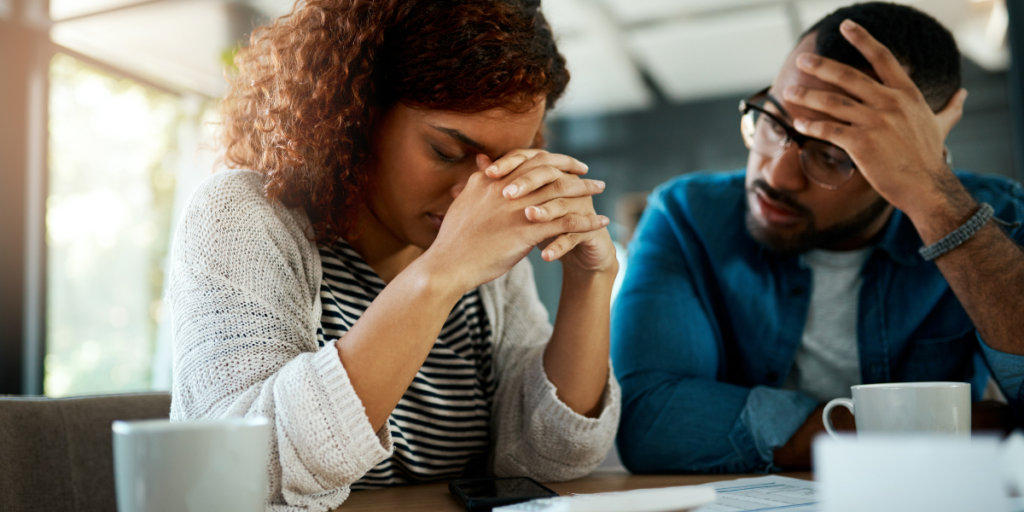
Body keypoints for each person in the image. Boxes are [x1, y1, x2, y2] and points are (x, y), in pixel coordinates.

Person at [167, 0, 621, 509]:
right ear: (358, 114)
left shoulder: (491, 265)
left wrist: (591, 282)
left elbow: (548, 461)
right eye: (446, 152)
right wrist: (442, 273)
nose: (474, 195)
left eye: (506, 164)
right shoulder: (244, 215)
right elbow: (239, 471)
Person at [612, 1, 1024, 474]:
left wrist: (935, 199)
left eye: (832, 154)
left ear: (914, 154)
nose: (778, 174)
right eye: (773, 120)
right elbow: (650, 422)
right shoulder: (687, 216)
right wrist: (965, 426)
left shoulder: (996, 217)